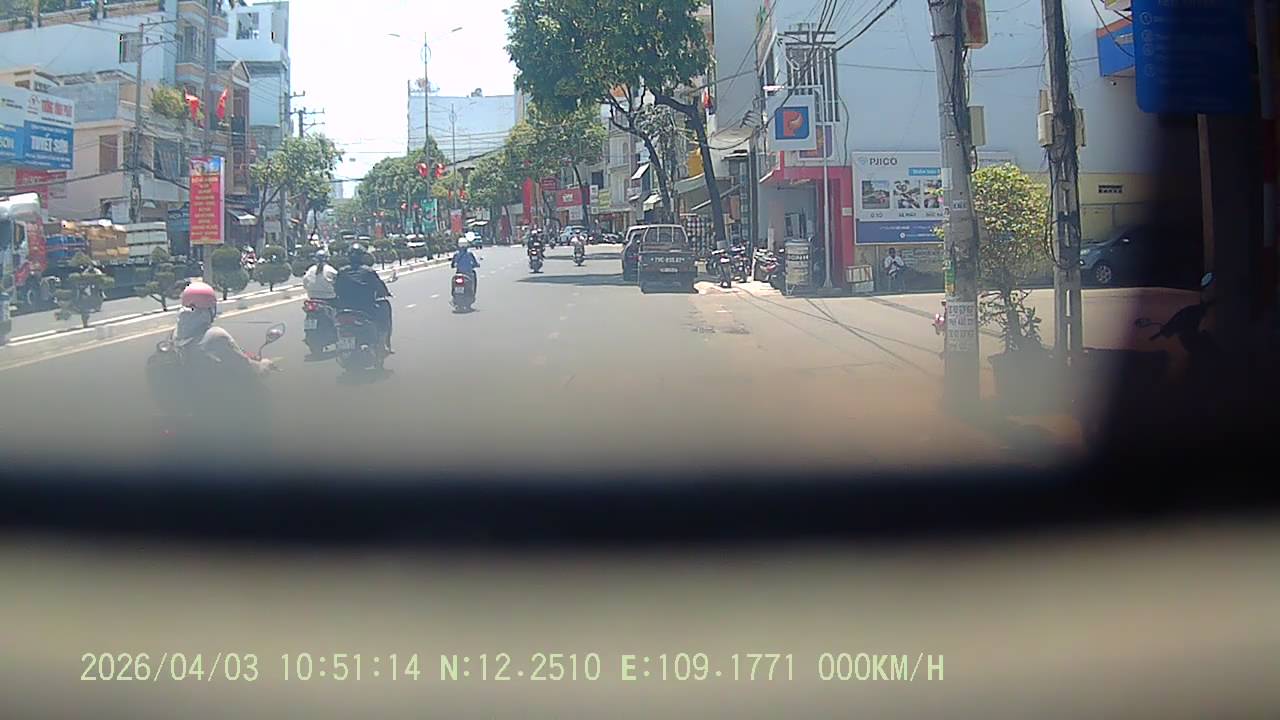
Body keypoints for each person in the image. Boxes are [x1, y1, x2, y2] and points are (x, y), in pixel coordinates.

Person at [334, 242, 394, 352]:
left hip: (345, 309)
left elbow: (336, 289)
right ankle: (383, 343)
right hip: (366, 308)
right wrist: (385, 293)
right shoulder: (368, 271)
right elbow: (380, 287)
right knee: (385, 308)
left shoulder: (341, 272)